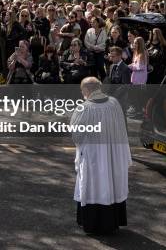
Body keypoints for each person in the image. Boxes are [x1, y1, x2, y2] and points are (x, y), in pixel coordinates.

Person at [71, 77, 131, 235]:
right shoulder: (114, 103)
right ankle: (111, 222)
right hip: (113, 154)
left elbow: (77, 136)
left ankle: (93, 224)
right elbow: (121, 127)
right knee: (111, 182)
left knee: (93, 185)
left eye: (82, 91)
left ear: (86, 90)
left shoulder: (84, 108)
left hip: (94, 156)